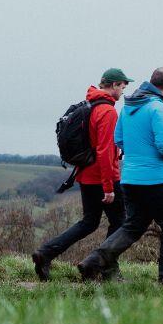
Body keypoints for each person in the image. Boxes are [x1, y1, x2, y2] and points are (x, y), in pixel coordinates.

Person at [78, 67, 163, 284]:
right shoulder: (158, 108)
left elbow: (119, 140)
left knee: (133, 226)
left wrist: (137, 156)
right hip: (158, 181)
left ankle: (93, 261)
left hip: (131, 181)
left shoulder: (128, 107)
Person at [31, 68, 132, 281]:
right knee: (121, 223)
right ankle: (105, 267)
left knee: (89, 222)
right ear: (114, 85)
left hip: (86, 174)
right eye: (123, 86)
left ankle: (45, 253)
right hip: (103, 177)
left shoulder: (91, 104)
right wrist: (108, 187)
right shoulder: (107, 111)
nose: (123, 90)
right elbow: (104, 151)